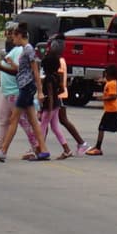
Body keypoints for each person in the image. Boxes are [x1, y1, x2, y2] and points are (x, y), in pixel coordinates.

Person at [0, 20, 41, 161]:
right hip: (7, 92)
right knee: (5, 121)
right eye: (8, 32)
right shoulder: (12, 50)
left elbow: (20, 71)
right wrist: (0, 78)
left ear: (18, 34)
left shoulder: (22, 50)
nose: (9, 36)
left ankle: (37, 148)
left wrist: (1, 68)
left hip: (16, 92)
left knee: (23, 122)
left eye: (11, 33)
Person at [34, 26, 87, 159]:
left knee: (44, 125)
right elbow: (62, 86)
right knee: (55, 126)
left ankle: (40, 149)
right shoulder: (56, 69)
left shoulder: (52, 71)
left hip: (53, 103)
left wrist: (48, 106)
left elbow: (52, 92)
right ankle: (67, 148)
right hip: (57, 100)